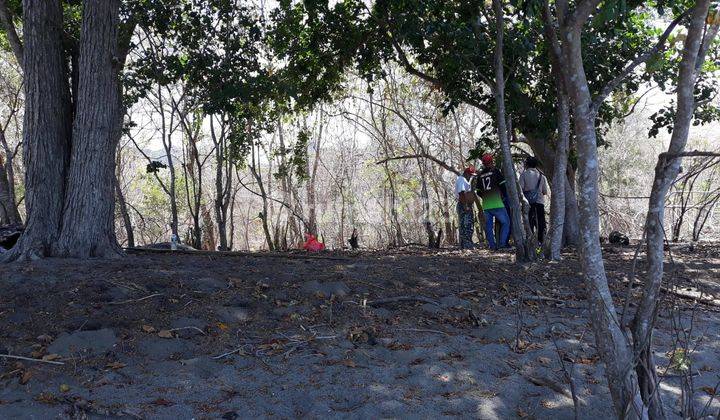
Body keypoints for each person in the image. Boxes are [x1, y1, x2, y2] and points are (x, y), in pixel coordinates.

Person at [477, 154, 510, 249]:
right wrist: (503, 197)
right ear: (491, 162)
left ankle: (492, 246)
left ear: (483, 164)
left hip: (486, 205)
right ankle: (502, 244)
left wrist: (485, 197)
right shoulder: (496, 171)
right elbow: (503, 186)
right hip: (498, 203)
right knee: (506, 223)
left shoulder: (480, 175)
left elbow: (478, 191)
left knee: (489, 227)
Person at [520, 156, 549, 244]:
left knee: (529, 223)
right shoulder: (541, 176)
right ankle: (541, 241)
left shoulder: (523, 175)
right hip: (539, 202)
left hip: (528, 203)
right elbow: (545, 191)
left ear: (527, 164)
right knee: (541, 222)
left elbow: (520, 189)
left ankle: (531, 242)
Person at [455, 166, 476, 249]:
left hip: (466, 204)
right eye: (470, 175)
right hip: (464, 205)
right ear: (466, 173)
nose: (470, 176)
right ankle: (466, 245)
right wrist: (465, 206)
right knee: (466, 225)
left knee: (467, 224)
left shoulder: (463, 180)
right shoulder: (462, 179)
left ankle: (465, 244)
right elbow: (461, 193)